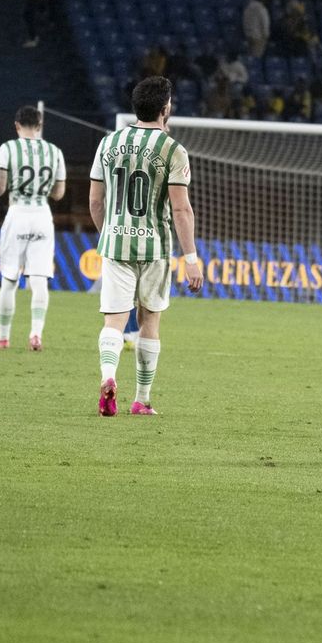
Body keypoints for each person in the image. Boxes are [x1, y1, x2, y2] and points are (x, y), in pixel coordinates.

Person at [88, 77, 203, 416]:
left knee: (114, 320)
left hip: (116, 243)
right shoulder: (173, 149)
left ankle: (109, 377)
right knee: (149, 319)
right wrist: (192, 259)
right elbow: (181, 209)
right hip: (154, 248)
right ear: (165, 108)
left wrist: (108, 234)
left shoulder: (108, 143)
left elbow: (96, 201)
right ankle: (141, 399)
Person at [0, 106, 66, 351]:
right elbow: (58, 193)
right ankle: (36, 334)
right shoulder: (54, 152)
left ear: (17, 125)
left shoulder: (7, 148)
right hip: (42, 215)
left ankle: (3, 336)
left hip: (18, 212)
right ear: (40, 125)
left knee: (10, 278)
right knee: (40, 278)